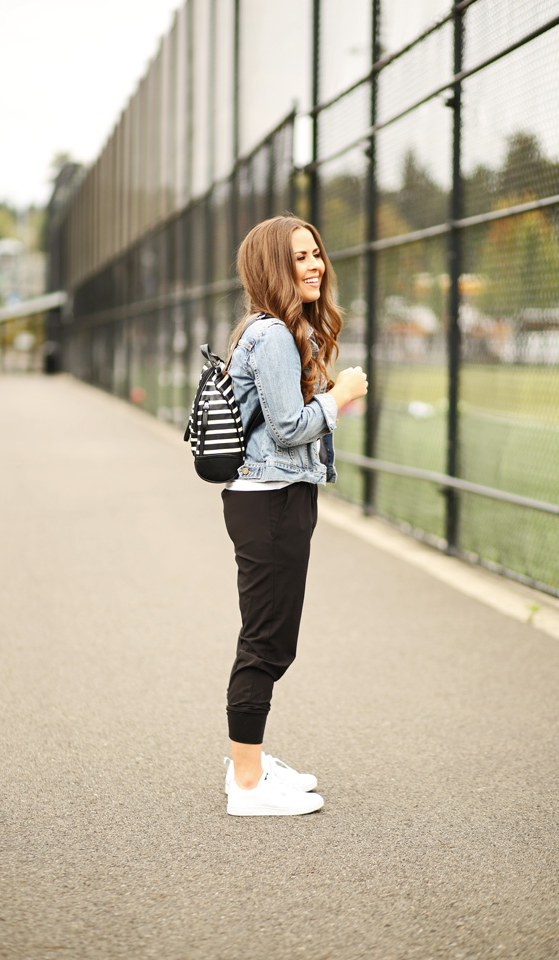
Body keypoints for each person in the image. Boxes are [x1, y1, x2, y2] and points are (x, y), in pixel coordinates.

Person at [221, 215, 368, 816]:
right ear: (272, 268)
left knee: (270, 636)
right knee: (266, 642)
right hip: (271, 499)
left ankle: (248, 762)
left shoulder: (271, 331)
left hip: (272, 497)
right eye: (299, 258)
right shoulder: (275, 337)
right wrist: (339, 397)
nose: (315, 266)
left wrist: (325, 406)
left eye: (316, 254)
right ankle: (247, 786)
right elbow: (286, 431)